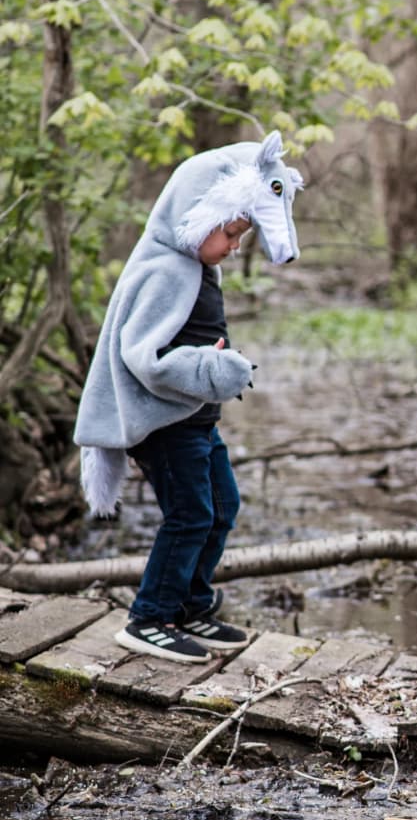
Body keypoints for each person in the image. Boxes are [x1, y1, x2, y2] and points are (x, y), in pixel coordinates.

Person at [74, 131, 302, 664]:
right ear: (200, 217)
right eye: (231, 233)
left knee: (222, 507)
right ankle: (149, 617)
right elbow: (144, 356)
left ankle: (189, 604)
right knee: (190, 514)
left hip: (194, 420)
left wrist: (211, 366)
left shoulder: (196, 267)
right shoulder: (164, 269)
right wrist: (210, 367)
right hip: (162, 425)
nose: (235, 246)